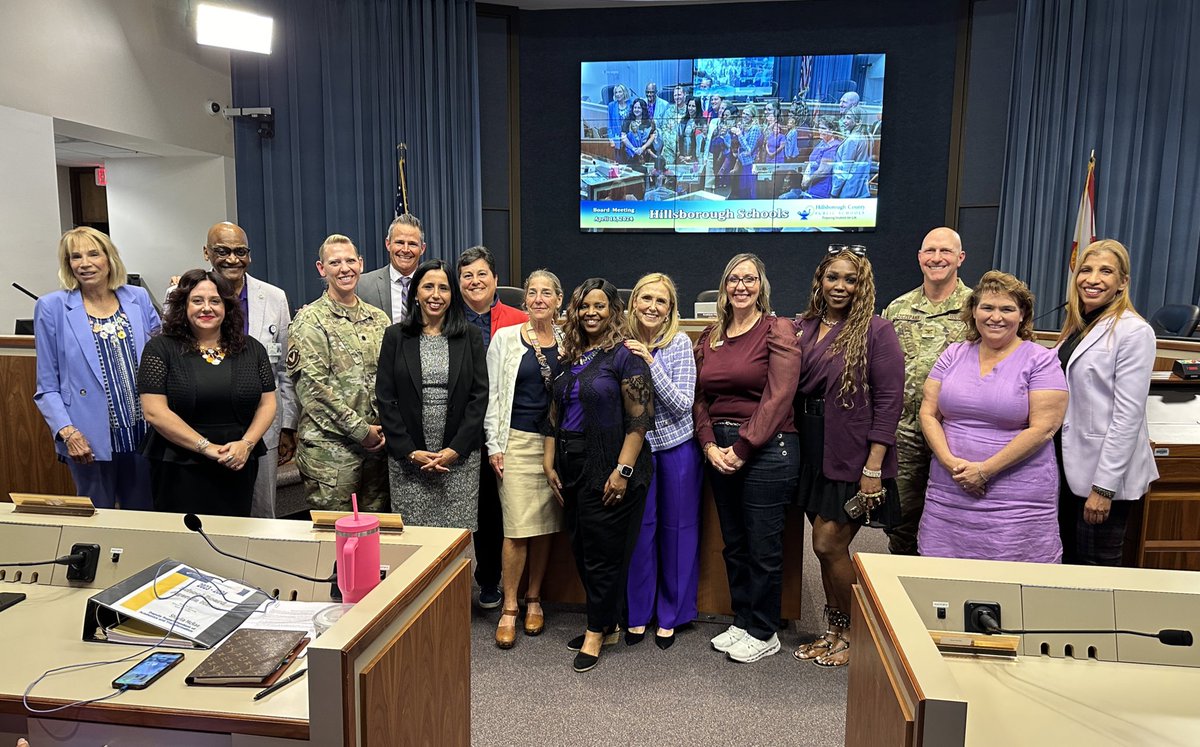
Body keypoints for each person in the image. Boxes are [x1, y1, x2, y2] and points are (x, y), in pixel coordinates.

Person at [793, 246, 903, 668]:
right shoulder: (802, 327)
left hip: (852, 454)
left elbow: (890, 401)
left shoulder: (877, 331)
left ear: (862, 286)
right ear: (820, 279)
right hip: (810, 449)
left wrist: (873, 466)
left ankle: (860, 634)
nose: (840, 286)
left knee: (828, 543)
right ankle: (834, 630)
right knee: (825, 551)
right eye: (833, 277)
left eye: (850, 279)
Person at [694, 254, 801, 664]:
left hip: (767, 449)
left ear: (761, 285)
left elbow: (779, 397)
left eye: (749, 279)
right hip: (719, 448)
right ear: (724, 286)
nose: (741, 286)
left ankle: (764, 628)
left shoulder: (778, 329)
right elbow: (700, 397)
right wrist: (707, 444)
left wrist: (742, 447)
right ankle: (742, 619)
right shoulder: (711, 335)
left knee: (763, 546)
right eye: (734, 279)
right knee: (735, 544)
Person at [918, 271, 1068, 564]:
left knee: (1012, 577)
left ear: (1022, 315)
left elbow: (1044, 428)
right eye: (987, 307)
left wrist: (985, 470)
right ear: (973, 311)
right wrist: (952, 464)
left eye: (1007, 309)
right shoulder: (953, 354)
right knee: (943, 573)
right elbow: (928, 412)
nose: (995, 316)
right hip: (950, 488)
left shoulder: (1041, 360)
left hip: (1016, 500)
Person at [543, 279, 653, 673]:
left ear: (613, 311)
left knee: (604, 556)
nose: (591, 312)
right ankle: (606, 623)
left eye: (600, 306)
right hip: (571, 466)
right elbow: (554, 413)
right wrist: (548, 460)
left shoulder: (625, 356)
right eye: (584, 306)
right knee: (582, 549)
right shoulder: (570, 357)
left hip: (609, 466)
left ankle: (596, 631)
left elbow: (640, 420)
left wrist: (622, 471)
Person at [34, 227, 160, 510]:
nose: (85, 263)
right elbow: (46, 387)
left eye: (93, 254)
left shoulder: (137, 298)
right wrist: (67, 432)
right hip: (88, 437)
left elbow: (161, 355)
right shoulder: (51, 307)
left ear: (109, 258)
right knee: (97, 518)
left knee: (146, 516)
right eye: (75, 257)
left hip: (144, 431)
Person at [138, 269, 277, 516]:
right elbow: (154, 411)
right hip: (179, 463)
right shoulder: (160, 349)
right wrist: (207, 447)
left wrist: (247, 444)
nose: (206, 308)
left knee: (235, 536)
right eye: (197, 301)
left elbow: (267, 404)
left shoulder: (252, 349)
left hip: (238, 461)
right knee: (185, 546)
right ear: (183, 305)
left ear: (227, 307)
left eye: (215, 301)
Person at [1055, 240, 1158, 566]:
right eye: (1086, 269)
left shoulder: (1134, 331)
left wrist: (1103, 489)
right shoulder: (1080, 325)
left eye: (1106, 271)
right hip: (1069, 468)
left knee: (1096, 571)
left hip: (1101, 477)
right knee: (1068, 562)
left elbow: (1128, 417)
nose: (1092, 278)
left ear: (1122, 283)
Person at [483, 270, 564, 648]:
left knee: (546, 525)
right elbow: (493, 394)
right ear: (525, 299)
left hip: (554, 446)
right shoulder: (505, 338)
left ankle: (535, 599)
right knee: (516, 528)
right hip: (514, 442)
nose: (538, 298)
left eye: (546, 293)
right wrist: (493, 445)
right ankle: (510, 606)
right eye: (532, 292)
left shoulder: (569, 342)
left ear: (559, 300)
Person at [195, 222, 297, 518]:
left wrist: (288, 424)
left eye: (240, 251)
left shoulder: (274, 297)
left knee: (263, 510)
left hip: (263, 425)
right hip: (206, 427)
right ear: (206, 253)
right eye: (222, 251)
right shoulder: (186, 295)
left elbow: (285, 369)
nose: (232, 259)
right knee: (211, 510)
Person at [377, 259, 488, 529]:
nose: (436, 295)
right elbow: (385, 398)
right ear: (416, 292)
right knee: (414, 540)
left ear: (453, 294)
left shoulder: (470, 336)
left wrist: (455, 450)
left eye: (444, 288)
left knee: (456, 542)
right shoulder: (395, 336)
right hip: (409, 460)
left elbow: (479, 396)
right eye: (428, 287)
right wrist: (410, 452)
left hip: (458, 459)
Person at [881, 228, 972, 556]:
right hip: (904, 436)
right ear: (920, 258)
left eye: (945, 251)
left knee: (955, 518)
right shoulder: (897, 309)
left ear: (960, 258)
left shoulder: (976, 309)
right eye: (930, 251)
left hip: (956, 437)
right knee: (900, 520)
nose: (937, 258)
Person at [623, 273, 701, 651]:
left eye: (662, 301)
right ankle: (637, 613)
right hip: (634, 453)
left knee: (676, 531)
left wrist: (650, 362)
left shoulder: (680, 344)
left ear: (671, 309)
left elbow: (682, 403)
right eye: (646, 298)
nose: (652, 307)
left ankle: (670, 615)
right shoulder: (620, 343)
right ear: (634, 301)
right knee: (640, 533)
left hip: (675, 451)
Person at [288, 235, 390, 513]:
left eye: (350, 261)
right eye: (335, 262)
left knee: (376, 538)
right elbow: (313, 391)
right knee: (334, 541)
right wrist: (361, 431)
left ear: (361, 264)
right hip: (331, 455)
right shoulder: (310, 321)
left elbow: (392, 380)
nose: (344, 268)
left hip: (377, 451)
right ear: (322, 269)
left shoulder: (379, 319)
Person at [458, 245, 528, 609]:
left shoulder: (520, 319)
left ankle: (489, 579)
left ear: (496, 279)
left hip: (505, 428)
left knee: (493, 507)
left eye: (482, 274)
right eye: (467, 276)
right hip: (459, 428)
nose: (475, 281)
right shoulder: (447, 318)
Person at [358, 213, 427, 324]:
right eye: (399, 242)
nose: (405, 249)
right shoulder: (362, 285)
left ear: (422, 248)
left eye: (412, 244)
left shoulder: (433, 286)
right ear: (388, 244)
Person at [799, 117, 842, 198]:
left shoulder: (833, 146)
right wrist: (805, 178)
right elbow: (811, 162)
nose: (820, 131)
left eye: (823, 128)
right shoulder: (822, 143)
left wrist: (808, 181)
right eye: (819, 128)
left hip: (821, 189)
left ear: (832, 130)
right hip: (811, 187)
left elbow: (823, 171)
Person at [730, 104, 762, 199]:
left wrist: (739, 134)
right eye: (743, 113)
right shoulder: (745, 127)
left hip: (750, 164)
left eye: (747, 114)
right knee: (743, 192)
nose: (744, 116)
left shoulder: (755, 128)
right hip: (743, 163)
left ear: (753, 116)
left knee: (750, 192)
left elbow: (749, 149)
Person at [621, 98, 659, 172]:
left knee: (645, 173)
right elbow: (623, 136)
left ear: (643, 109)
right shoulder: (627, 121)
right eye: (635, 107)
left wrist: (643, 148)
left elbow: (652, 136)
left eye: (639, 108)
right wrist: (633, 149)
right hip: (630, 154)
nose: (636, 109)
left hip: (645, 154)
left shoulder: (649, 122)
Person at [607, 84, 632, 160]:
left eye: (620, 92)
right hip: (617, 139)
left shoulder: (631, 104)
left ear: (624, 92)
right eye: (616, 92)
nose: (618, 94)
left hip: (630, 139)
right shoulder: (611, 106)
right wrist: (611, 139)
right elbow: (609, 124)